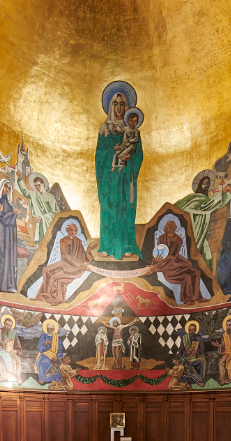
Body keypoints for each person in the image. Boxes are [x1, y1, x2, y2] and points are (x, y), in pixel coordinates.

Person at [95, 87, 143, 259]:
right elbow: (99, 155)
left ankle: (126, 245)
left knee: (124, 210)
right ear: (110, 106)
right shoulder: (104, 128)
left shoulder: (133, 129)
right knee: (109, 209)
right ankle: (108, 246)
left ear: (127, 107)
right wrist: (111, 151)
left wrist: (130, 157)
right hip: (109, 179)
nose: (119, 108)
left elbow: (138, 154)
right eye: (115, 104)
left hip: (125, 178)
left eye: (123, 104)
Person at [175, 171, 231, 270]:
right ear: (200, 185)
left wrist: (226, 193)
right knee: (192, 254)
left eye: (208, 184)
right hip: (193, 229)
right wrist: (223, 194)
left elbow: (212, 204)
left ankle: (205, 282)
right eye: (204, 183)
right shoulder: (194, 198)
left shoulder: (207, 199)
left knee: (207, 256)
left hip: (201, 231)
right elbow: (206, 206)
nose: (206, 186)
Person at [142, 219, 204, 305]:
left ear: (175, 228)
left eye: (172, 227)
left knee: (196, 272)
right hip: (167, 267)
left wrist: (158, 264)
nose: (170, 229)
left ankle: (198, 297)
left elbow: (173, 256)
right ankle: (188, 299)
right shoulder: (161, 237)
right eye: (168, 227)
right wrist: (156, 262)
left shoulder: (178, 239)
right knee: (187, 276)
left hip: (173, 260)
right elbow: (158, 251)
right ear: (165, 228)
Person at [35, 222, 97, 305]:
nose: (73, 232)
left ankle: (50, 296)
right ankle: (44, 295)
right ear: (68, 230)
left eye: (75, 230)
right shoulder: (63, 240)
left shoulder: (79, 241)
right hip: (66, 264)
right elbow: (67, 255)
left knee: (53, 275)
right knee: (46, 269)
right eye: (71, 230)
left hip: (74, 267)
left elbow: (82, 257)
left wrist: (88, 251)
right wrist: (79, 263)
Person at [16, 171, 59, 246]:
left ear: (43, 184)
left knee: (50, 244)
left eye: (39, 185)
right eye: (35, 186)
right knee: (42, 245)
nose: (37, 188)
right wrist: (20, 179)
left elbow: (54, 213)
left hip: (48, 223)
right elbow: (25, 192)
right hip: (40, 225)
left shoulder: (50, 197)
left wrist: (42, 219)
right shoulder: (35, 195)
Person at [212, 314, 231, 385]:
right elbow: (223, 345)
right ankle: (223, 379)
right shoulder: (224, 335)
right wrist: (219, 345)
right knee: (221, 363)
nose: (228, 326)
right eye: (227, 325)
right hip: (227, 353)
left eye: (230, 325)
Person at [35, 319, 64, 384]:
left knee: (56, 363)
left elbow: (60, 351)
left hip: (54, 355)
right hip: (44, 354)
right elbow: (40, 349)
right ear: (46, 329)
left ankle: (55, 380)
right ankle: (42, 379)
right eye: (48, 329)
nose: (49, 331)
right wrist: (46, 345)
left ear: (54, 329)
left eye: (51, 329)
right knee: (40, 361)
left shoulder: (58, 339)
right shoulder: (43, 337)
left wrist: (57, 356)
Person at [0, 314, 22, 383]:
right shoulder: (0, 331)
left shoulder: (13, 332)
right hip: (4, 351)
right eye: (7, 324)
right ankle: (4, 376)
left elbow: (17, 343)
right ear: (4, 323)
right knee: (0, 357)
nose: (8, 326)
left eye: (10, 325)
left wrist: (16, 351)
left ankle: (17, 376)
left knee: (17, 359)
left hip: (12, 351)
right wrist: (3, 342)